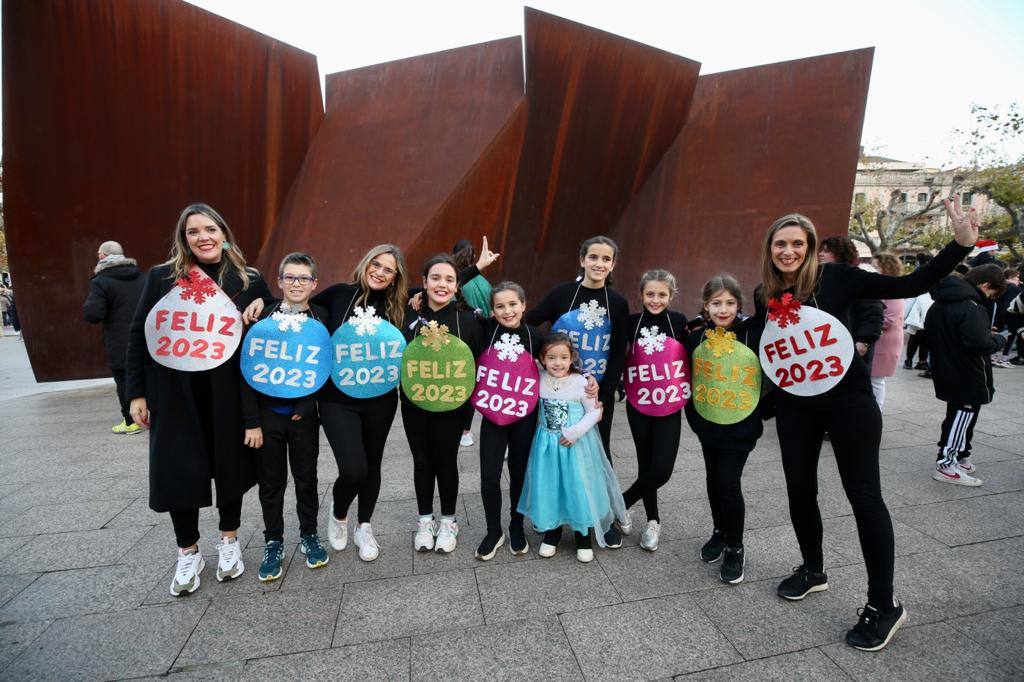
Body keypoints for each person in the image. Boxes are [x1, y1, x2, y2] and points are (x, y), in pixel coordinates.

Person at [753, 197, 978, 652]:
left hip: (849, 404)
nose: (788, 251)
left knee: (864, 498)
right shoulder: (769, 294)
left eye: (797, 243)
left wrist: (958, 246)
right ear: (770, 249)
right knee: (800, 489)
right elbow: (773, 351)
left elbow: (910, 282)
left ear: (812, 247)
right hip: (798, 407)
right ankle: (812, 569)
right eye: (781, 244)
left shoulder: (837, 277)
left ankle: (883, 604)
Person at [126, 203, 272, 596]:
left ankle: (229, 541)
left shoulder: (248, 279)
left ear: (224, 233)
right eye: (193, 232)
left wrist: (266, 306)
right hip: (175, 393)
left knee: (229, 468)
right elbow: (141, 334)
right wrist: (135, 393)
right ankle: (188, 550)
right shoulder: (162, 278)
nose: (203, 237)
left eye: (210, 229)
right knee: (179, 469)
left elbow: (274, 323)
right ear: (183, 239)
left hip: (226, 393)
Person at [245, 244, 410, 562]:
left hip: (381, 399)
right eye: (375, 263)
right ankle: (338, 510)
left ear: (395, 278)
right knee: (354, 468)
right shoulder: (336, 295)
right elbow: (294, 305)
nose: (379, 271)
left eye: (388, 269)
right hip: (337, 400)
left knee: (372, 465)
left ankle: (364, 526)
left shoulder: (401, 306)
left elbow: (436, 294)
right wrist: (261, 301)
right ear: (365, 263)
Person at [242, 253, 330, 581]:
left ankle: (309, 534)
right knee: (272, 482)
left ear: (313, 284)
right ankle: (273, 541)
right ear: (278, 282)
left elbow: (324, 366)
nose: (296, 284)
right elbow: (247, 370)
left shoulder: (322, 318)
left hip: (303, 419)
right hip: (267, 419)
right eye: (290, 278)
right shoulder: (262, 316)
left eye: (303, 278)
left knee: (307, 479)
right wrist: (251, 420)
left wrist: (308, 406)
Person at [517, 332, 627, 562]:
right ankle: (552, 532)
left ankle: (582, 535)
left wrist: (574, 432)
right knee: (550, 486)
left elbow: (596, 411)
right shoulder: (538, 378)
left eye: (563, 357)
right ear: (542, 359)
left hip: (574, 447)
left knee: (578, 486)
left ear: (572, 358)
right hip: (547, 446)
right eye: (552, 357)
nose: (558, 363)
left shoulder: (581, 384)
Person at [685, 274, 764, 584]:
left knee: (728, 483)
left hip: (740, 427)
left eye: (730, 303)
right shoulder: (695, 335)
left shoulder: (753, 334)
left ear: (739, 305)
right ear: (706, 305)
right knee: (712, 479)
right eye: (716, 303)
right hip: (708, 423)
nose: (723, 309)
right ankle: (719, 531)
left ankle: (735, 546)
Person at [402, 254, 483, 554]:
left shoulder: (469, 321)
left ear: (457, 285)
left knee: (446, 462)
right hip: (414, 406)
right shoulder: (407, 315)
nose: (442, 284)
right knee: (422, 462)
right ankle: (425, 520)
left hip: (452, 407)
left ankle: (448, 521)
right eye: (435, 278)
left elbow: (478, 367)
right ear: (423, 282)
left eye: (449, 279)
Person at [618, 270, 688, 552]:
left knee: (661, 470)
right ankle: (652, 521)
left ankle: (620, 503)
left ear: (671, 296)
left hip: (670, 404)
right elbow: (616, 355)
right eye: (650, 294)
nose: (655, 300)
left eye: (661, 295)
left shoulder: (679, 322)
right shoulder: (632, 323)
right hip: (640, 404)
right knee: (645, 465)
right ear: (641, 295)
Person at [474, 282, 542, 560]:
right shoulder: (484, 330)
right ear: (492, 310)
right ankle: (493, 530)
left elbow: (559, 365)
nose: (507, 311)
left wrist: (588, 384)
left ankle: (516, 525)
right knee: (489, 474)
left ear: (524, 305)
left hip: (524, 416)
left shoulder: (535, 336)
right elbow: (453, 307)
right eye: (500, 306)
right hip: (492, 414)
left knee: (519, 471)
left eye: (513, 304)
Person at [925, 263, 1006, 486]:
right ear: (985, 285)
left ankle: (959, 457)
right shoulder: (971, 306)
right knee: (961, 416)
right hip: (966, 372)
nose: (991, 298)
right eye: (993, 292)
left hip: (947, 367)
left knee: (958, 415)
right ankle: (946, 464)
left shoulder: (941, 302)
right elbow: (979, 343)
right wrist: (998, 339)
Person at [83, 241, 145, 434]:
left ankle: (130, 421)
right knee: (148, 376)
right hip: (147, 338)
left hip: (119, 341)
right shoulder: (142, 277)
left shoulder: (100, 281)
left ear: (102, 257)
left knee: (124, 381)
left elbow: (93, 314)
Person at [818, 236, 883, 371]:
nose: (821, 254)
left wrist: (864, 340)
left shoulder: (856, 277)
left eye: (826, 251)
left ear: (839, 253)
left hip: (853, 345)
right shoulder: (823, 277)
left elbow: (873, 311)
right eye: (821, 251)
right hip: (830, 346)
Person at [453, 239, 491, 447]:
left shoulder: (453, 279)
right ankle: (465, 431)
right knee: (471, 384)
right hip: (481, 337)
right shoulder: (483, 282)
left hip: (458, 336)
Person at [869, 254, 906, 408]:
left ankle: (877, 410)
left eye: (876, 267)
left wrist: (864, 321)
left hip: (884, 342)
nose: (872, 271)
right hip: (877, 340)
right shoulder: (879, 287)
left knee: (876, 380)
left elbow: (888, 319)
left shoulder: (892, 289)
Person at [994, 268, 1021, 367]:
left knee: (1006, 336)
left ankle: (995, 356)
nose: (1018, 279)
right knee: (1009, 337)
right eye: (1016, 277)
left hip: (1002, 316)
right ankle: (1003, 359)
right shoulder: (1012, 288)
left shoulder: (1005, 287)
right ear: (1010, 277)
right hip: (1009, 317)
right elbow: (1009, 304)